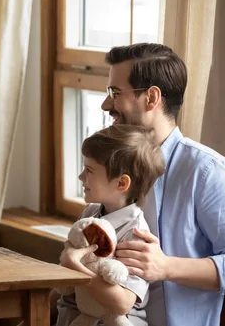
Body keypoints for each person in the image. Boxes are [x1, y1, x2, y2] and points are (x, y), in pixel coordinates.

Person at [88, 43, 225, 326]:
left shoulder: (208, 173)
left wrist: (165, 267)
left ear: (151, 97)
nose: (106, 105)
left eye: (115, 93)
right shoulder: (109, 165)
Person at [57, 124, 165, 326]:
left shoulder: (136, 235)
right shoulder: (90, 214)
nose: (81, 177)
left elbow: (122, 303)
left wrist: (77, 267)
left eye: (89, 170)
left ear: (121, 183)